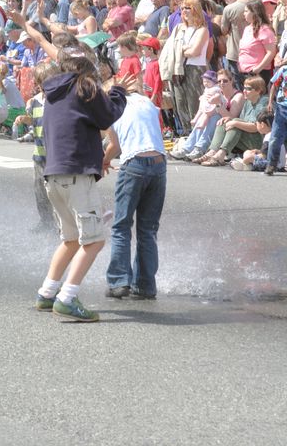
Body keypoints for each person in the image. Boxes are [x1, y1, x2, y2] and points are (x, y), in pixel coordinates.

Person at [35, 55, 130, 322]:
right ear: (87, 74)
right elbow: (107, 116)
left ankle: (46, 293)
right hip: (77, 175)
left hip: (54, 174)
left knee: (70, 239)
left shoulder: (53, 92)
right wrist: (119, 92)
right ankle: (66, 298)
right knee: (94, 240)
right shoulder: (84, 85)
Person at [103, 83, 166, 300]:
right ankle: (146, 285)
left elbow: (115, 145)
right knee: (148, 229)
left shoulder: (112, 106)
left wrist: (103, 161)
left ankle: (119, 282)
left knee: (121, 225)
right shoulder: (145, 101)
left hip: (134, 163)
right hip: (159, 162)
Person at [14, 62, 57, 230]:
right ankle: (45, 222)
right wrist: (26, 119)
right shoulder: (35, 102)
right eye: (42, 81)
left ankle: (61, 222)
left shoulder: (57, 101)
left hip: (55, 154)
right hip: (39, 153)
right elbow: (37, 122)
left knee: (56, 191)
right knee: (40, 191)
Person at [173, 68, 244, 161]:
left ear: (231, 81)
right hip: (217, 125)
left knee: (215, 117)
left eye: (225, 81)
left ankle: (200, 148)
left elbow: (232, 117)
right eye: (219, 81)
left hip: (229, 128)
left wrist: (218, 104)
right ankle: (187, 148)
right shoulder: (216, 92)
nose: (222, 83)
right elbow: (204, 107)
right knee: (204, 117)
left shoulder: (237, 96)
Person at [162, 0, 210, 135]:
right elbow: (169, 48)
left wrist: (179, 49)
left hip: (195, 69)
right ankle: (185, 134)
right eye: (182, 8)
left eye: (187, 8)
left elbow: (195, 52)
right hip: (178, 69)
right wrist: (184, 49)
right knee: (179, 103)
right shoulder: (178, 28)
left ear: (195, 9)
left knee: (194, 104)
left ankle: (197, 135)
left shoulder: (202, 30)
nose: (184, 11)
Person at [198, 75, 268, 166]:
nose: (244, 91)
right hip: (249, 138)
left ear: (258, 90)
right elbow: (243, 121)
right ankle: (212, 152)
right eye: (244, 88)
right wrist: (230, 119)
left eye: (248, 89)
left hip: (261, 142)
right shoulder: (248, 102)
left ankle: (221, 155)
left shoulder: (264, 102)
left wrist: (234, 122)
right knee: (224, 121)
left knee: (235, 123)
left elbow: (256, 128)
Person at [238, 0, 276, 87]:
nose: (244, 14)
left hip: (258, 75)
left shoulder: (264, 29)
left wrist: (258, 69)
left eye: (246, 11)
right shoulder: (247, 28)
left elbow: (271, 52)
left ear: (254, 12)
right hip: (244, 73)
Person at [221, 0, 249, 89]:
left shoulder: (229, 9)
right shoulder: (255, 5)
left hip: (235, 54)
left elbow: (224, 30)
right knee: (251, 88)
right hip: (252, 55)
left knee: (237, 88)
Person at [264, 62, 287, 175]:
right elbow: (274, 85)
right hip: (282, 107)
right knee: (275, 137)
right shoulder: (283, 70)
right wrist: (270, 102)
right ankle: (271, 164)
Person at [140, 36, 162, 107]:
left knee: (157, 115)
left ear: (151, 50)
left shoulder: (156, 64)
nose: (142, 51)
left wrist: (154, 96)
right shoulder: (149, 63)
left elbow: (158, 81)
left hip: (154, 95)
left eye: (144, 49)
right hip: (148, 93)